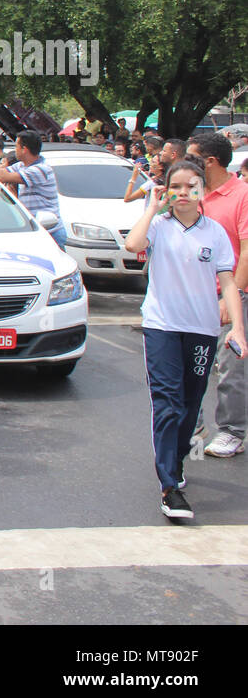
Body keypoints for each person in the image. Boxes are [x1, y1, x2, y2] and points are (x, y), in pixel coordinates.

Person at [124, 160, 246, 519]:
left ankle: (175, 464)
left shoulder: (215, 233)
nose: (182, 193)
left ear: (202, 190)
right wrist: (152, 207)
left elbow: (228, 283)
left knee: (191, 405)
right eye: (174, 186)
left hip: (203, 329)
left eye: (190, 186)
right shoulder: (159, 227)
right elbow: (133, 244)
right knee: (168, 403)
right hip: (162, 326)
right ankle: (168, 487)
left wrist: (237, 328)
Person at [186, 133, 248, 460]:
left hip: (232, 296)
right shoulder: (193, 193)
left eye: (192, 156)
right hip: (195, 297)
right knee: (191, 366)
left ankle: (232, 431)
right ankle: (192, 428)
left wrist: (231, 297)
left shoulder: (242, 195)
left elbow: (247, 249)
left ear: (210, 161)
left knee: (229, 367)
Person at [0, 130, 67, 249]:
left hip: (50, 232)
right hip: (36, 230)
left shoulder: (41, 169)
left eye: (17, 146)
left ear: (24, 149)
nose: (14, 150)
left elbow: (3, 177)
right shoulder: (21, 165)